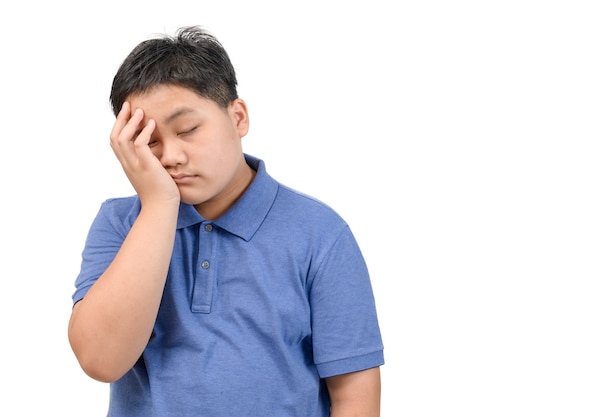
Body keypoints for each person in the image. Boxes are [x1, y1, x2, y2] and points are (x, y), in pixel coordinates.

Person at [68, 25, 384, 417]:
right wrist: (159, 205)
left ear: (238, 118)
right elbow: (102, 360)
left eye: (188, 130)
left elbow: (356, 395)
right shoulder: (120, 222)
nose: (170, 156)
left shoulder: (320, 234)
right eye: (149, 141)